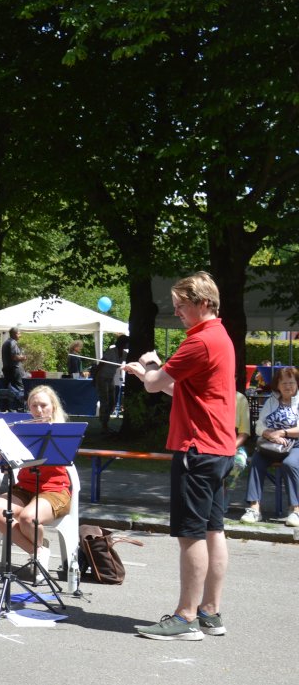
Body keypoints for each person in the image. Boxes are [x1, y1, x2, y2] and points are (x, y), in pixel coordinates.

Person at [122, 271, 236, 641]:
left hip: (196, 449)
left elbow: (156, 384)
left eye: (181, 306)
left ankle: (185, 618)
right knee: (213, 530)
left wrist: (149, 366)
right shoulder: (220, 336)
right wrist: (148, 375)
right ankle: (209, 613)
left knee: (191, 535)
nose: (177, 313)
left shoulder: (199, 340)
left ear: (202, 303)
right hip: (219, 449)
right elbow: (184, 392)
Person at [0, 385, 72, 577]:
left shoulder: (62, 431)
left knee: (28, 518)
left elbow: (63, 459)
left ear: (53, 407)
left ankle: (38, 553)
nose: (38, 411)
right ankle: (38, 551)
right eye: (34, 406)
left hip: (54, 490)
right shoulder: (22, 432)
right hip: (25, 488)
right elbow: (2, 463)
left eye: (43, 405)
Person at [240, 366, 299, 527]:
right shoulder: (271, 401)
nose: (288, 386)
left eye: (291, 382)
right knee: (256, 462)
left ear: (297, 384)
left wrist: (282, 433)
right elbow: (259, 425)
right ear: (277, 385)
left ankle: (295, 510)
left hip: (295, 444)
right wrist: (269, 434)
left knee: (290, 464)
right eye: (284, 383)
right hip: (271, 444)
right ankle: (254, 508)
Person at [0, 326, 27, 410]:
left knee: (8, 390)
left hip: (8, 369)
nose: (20, 335)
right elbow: (14, 357)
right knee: (19, 389)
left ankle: (7, 407)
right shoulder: (12, 342)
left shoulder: (6, 343)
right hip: (14, 370)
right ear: (15, 334)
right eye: (19, 334)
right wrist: (23, 357)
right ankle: (19, 408)